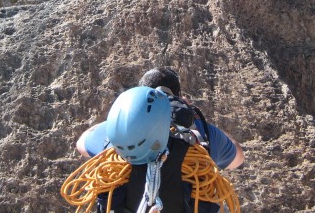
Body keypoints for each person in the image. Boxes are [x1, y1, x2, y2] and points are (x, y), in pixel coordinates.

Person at [75, 68, 244, 213]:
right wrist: (196, 122)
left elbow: (81, 144)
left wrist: (116, 118)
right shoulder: (201, 134)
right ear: (178, 96)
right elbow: (238, 158)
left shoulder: (117, 132)